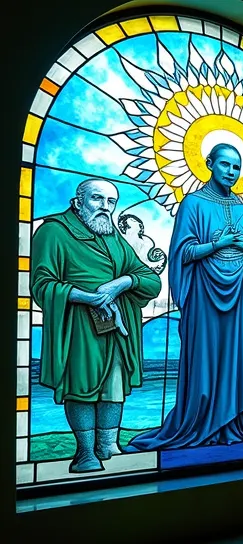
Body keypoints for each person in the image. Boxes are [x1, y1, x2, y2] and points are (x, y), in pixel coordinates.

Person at [129, 144, 243, 451]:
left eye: (236, 167)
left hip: (241, 296)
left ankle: (236, 423)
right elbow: (182, 253)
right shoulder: (192, 204)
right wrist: (217, 245)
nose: (231, 172)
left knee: (238, 355)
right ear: (209, 163)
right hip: (204, 295)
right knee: (204, 357)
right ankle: (200, 424)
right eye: (225, 164)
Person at [30, 179, 162, 472]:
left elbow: (150, 280)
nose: (105, 207)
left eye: (111, 201)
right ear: (78, 202)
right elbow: (42, 284)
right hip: (77, 327)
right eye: (97, 199)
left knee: (114, 386)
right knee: (80, 386)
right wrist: (88, 297)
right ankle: (85, 453)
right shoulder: (54, 231)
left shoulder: (112, 236)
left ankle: (108, 445)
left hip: (116, 329)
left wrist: (121, 284)